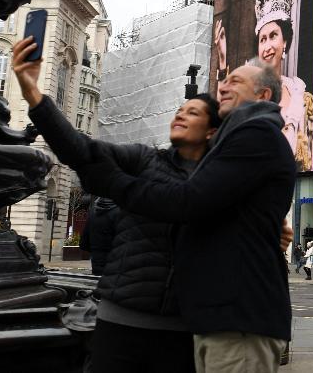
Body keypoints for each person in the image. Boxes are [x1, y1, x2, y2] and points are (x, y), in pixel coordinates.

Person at [12, 36, 223, 373]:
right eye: (179, 111)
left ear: (212, 131)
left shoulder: (220, 181)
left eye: (192, 112)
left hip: (183, 330)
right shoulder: (144, 159)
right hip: (120, 319)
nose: (179, 116)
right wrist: (33, 94)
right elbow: (81, 150)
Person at [77, 63, 296, 373]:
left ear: (263, 94)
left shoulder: (256, 133)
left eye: (235, 81)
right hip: (221, 319)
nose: (223, 86)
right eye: (224, 79)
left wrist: (115, 183)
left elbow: (189, 201)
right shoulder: (235, 139)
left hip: (238, 320)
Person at [251, 0, 313, 171]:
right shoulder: (248, 96)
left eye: (273, 36)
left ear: (285, 42)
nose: (268, 46)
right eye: (263, 39)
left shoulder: (302, 96)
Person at [79, 196, 118, 276]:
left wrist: (96, 250)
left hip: (97, 263)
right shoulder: (119, 213)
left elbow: (83, 243)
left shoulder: (93, 213)